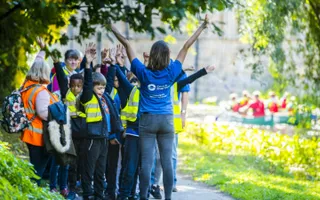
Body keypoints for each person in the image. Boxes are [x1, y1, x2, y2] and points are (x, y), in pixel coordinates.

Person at [111, 15, 209, 199]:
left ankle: (144, 196)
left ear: (152, 54)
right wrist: (202, 27)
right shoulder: (172, 71)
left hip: (147, 121)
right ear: (167, 56)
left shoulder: (142, 72)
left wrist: (112, 28)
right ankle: (168, 198)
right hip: (166, 120)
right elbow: (186, 46)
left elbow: (128, 45)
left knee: (147, 163)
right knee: (167, 163)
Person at [80, 43, 122, 200]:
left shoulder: (105, 97)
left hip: (103, 138)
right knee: (88, 171)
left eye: (103, 88)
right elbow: (87, 84)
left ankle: (99, 195)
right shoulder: (88, 97)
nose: (102, 90)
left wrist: (111, 65)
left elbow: (110, 83)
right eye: (99, 88)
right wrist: (88, 64)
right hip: (92, 139)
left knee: (100, 171)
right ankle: (87, 195)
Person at [20, 37, 59, 185]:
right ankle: (32, 192)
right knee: (38, 172)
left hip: (29, 132)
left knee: (33, 168)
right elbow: (43, 113)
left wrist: (42, 49)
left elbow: (37, 62)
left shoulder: (27, 85)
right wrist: (57, 114)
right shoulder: (41, 91)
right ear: (45, 72)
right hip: (39, 136)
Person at [53, 56, 86, 199]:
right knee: (63, 162)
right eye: (73, 86)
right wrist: (56, 62)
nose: (75, 89)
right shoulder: (66, 93)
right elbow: (60, 77)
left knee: (75, 165)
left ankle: (71, 188)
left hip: (81, 135)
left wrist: (88, 63)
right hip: (66, 133)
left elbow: (89, 79)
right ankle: (57, 187)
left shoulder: (86, 96)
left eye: (78, 86)